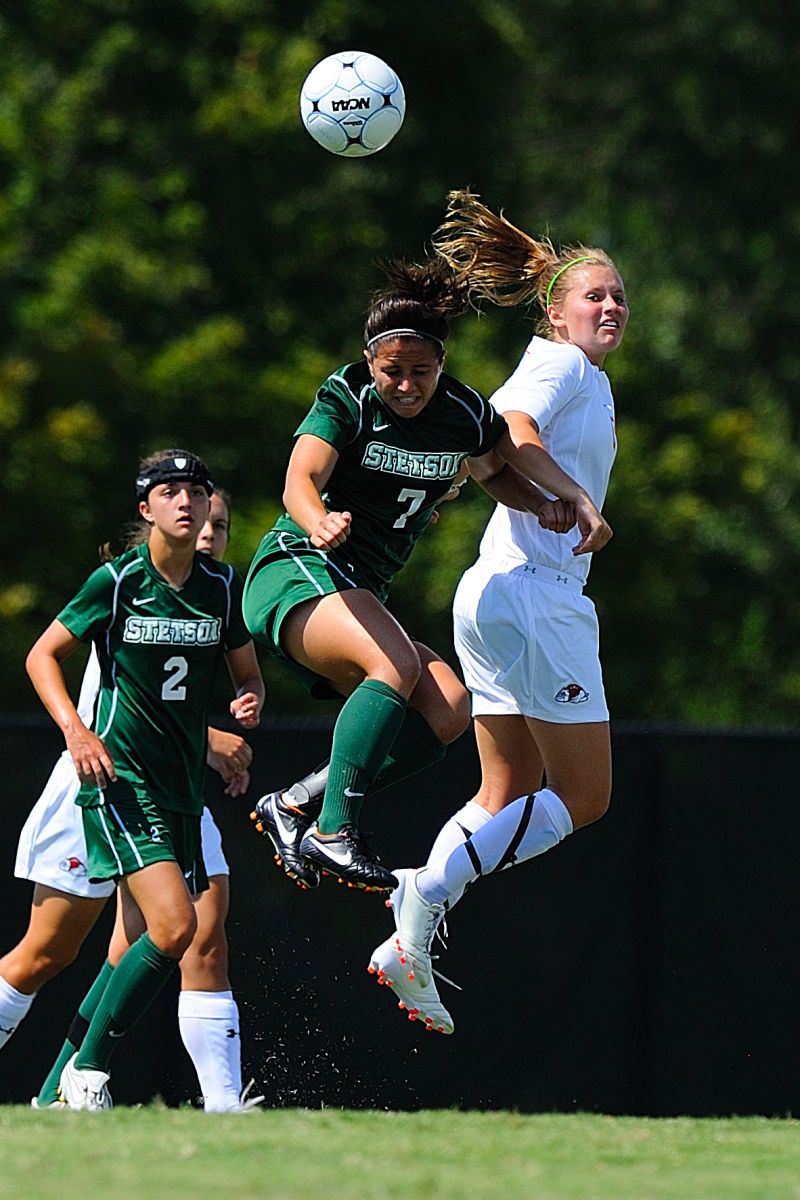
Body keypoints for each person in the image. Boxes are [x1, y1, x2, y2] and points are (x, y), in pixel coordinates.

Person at [245, 256, 610, 897]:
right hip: (298, 569)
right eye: (393, 371)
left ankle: (297, 803)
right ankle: (334, 830)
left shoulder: (463, 412)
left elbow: (496, 468)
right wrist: (317, 519)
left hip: (358, 587)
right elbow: (300, 479)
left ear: (442, 364)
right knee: (395, 664)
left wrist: (546, 502)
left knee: (447, 709)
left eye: (421, 371)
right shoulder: (347, 396)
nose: (407, 385)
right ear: (369, 362)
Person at [363, 190, 628, 1033]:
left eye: (618, 296)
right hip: (537, 599)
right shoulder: (564, 364)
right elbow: (510, 423)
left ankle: (409, 940)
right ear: (555, 312)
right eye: (594, 296)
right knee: (584, 796)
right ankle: (423, 893)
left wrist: (542, 494)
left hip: (492, 593)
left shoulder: (582, 374)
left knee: (505, 786)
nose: (611, 306)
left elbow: (494, 447)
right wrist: (574, 497)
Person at [20, 450, 264, 1108]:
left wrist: (250, 698)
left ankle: (53, 1095)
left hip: (182, 790)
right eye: (170, 491)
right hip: (122, 781)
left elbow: (247, 672)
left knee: (128, 947)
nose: (186, 502)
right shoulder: (119, 581)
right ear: (145, 508)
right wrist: (77, 732)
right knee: (175, 926)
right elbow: (41, 655)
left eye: (196, 491)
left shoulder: (221, 587)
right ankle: (88, 1071)